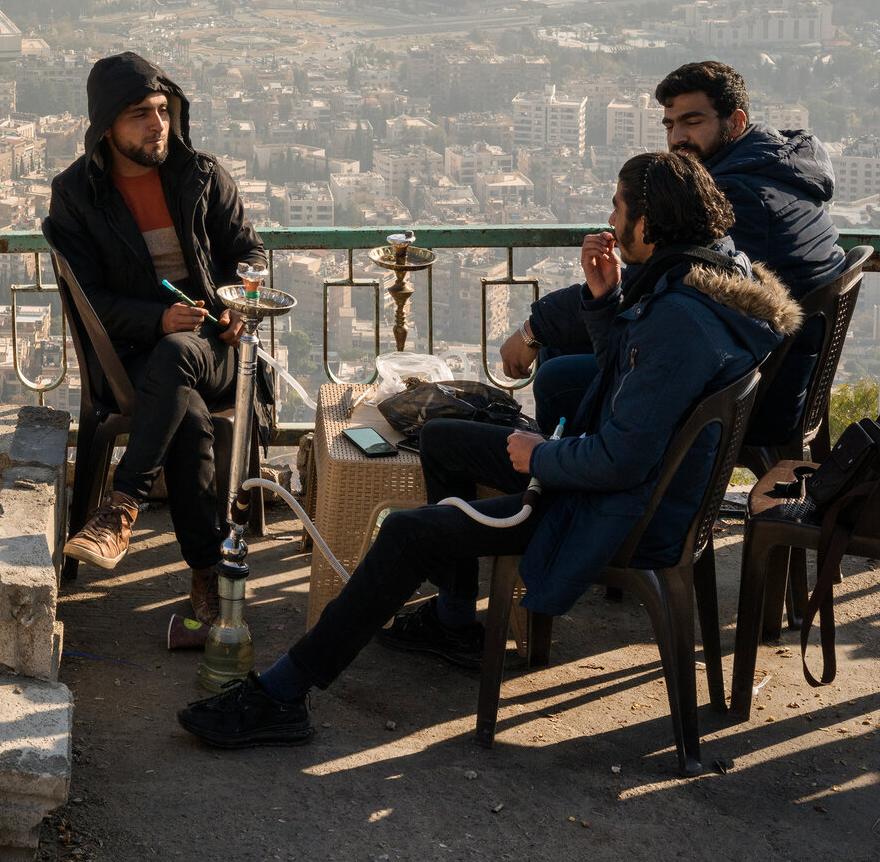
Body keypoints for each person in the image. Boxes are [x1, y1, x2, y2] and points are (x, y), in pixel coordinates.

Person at [176, 149, 798, 748]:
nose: (609, 220)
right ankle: (453, 622)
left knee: (409, 534)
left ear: (650, 223)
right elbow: (629, 381)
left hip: (611, 512)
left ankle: (283, 696)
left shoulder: (679, 322)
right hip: (626, 487)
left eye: (617, 208)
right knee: (442, 438)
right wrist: (605, 301)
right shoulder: (708, 278)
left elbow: (622, 458)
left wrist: (540, 459)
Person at [501, 59, 841, 444]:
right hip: (771, 369)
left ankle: (572, 482)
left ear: (737, 122)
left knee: (556, 377)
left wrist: (532, 330)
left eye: (692, 122)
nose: (677, 137)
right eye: (669, 124)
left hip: (749, 396)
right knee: (563, 344)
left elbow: (651, 285)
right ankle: (568, 467)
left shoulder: (738, 198)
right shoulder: (774, 169)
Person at [43, 52, 263, 636]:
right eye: (140, 114)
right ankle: (206, 573)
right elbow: (91, 300)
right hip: (135, 353)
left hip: (218, 343)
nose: (157, 125)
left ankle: (120, 508)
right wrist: (158, 318)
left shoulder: (202, 176)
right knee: (186, 411)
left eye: (163, 111)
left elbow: (250, 253)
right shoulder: (76, 197)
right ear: (107, 125)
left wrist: (237, 299)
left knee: (182, 358)